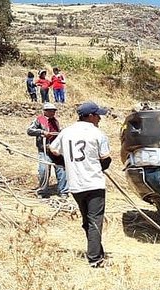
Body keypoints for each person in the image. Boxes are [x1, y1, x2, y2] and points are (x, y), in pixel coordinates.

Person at [49, 101, 111, 268]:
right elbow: (106, 159)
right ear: (90, 116)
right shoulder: (97, 133)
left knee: (88, 221)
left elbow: (53, 150)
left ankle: (97, 252)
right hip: (94, 183)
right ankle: (95, 259)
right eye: (97, 115)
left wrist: (66, 163)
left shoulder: (66, 132)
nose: (99, 118)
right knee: (95, 221)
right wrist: (99, 167)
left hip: (75, 184)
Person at [27, 102, 69, 199]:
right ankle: (43, 191)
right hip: (45, 149)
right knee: (44, 170)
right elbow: (29, 130)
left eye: (54, 111)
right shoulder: (39, 120)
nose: (52, 112)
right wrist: (42, 132)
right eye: (50, 111)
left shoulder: (55, 121)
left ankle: (63, 191)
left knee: (61, 170)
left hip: (56, 149)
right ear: (45, 111)